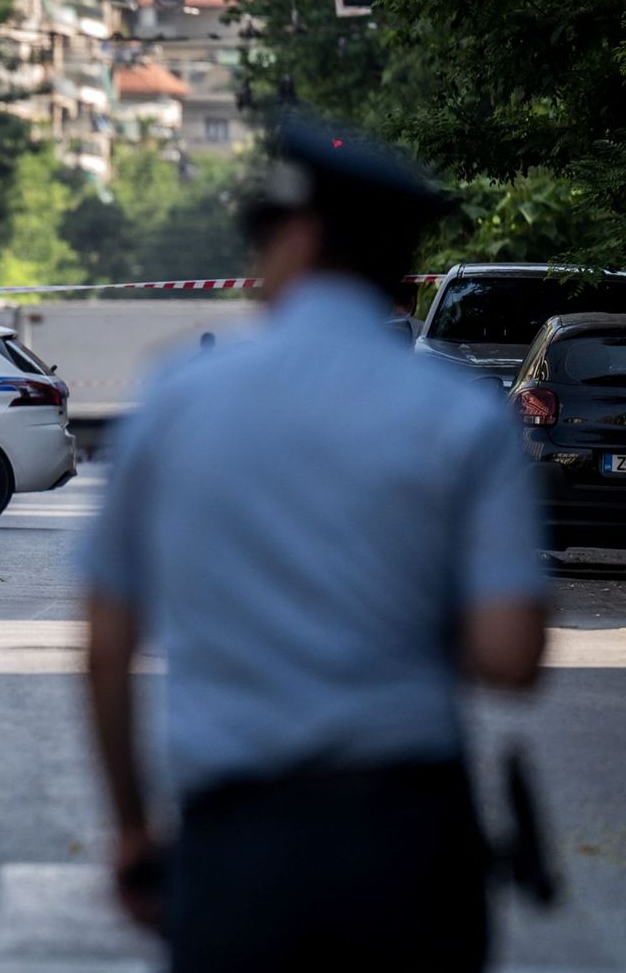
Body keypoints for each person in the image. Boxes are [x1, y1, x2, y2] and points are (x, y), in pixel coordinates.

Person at [81, 116, 550, 971]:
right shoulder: (463, 414)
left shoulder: (178, 398)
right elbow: (512, 657)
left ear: (298, 238)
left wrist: (131, 830)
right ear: (398, 268)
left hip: (236, 849)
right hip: (411, 849)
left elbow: (107, 646)